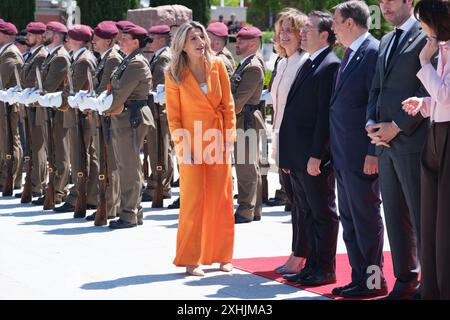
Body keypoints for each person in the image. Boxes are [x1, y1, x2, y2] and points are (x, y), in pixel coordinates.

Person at [366, 0, 428, 300]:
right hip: (383, 144)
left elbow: (427, 87)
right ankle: (405, 280)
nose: (384, 6)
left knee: (420, 214)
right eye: (380, 2)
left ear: (408, 1)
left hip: (413, 141)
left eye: (390, 0)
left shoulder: (428, 33)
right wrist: (371, 124)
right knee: (393, 214)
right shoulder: (387, 39)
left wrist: (398, 125)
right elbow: (376, 88)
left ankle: (430, 282)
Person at [165, 21, 236, 276]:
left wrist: (228, 139)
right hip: (190, 144)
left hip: (217, 139)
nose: (200, 43)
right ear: (182, 45)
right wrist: (184, 147)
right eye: (193, 39)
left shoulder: (217, 65)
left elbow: (228, 104)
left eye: (201, 37)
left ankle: (222, 256)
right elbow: (173, 117)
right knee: (193, 201)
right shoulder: (173, 73)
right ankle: (190, 259)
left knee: (221, 199)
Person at [330, 0, 386, 298]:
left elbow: (375, 104)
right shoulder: (350, 54)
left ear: (350, 23)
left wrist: (372, 152)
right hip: (343, 153)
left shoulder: (373, 52)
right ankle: (359, 277)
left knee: (366, 218)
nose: (333, 29)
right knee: (350, 219)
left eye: (336, 22)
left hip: (361, 154)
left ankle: (374, 281)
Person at [280, 11, 340, 287]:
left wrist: (318, 153)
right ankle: (312, 265)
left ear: (324, 35)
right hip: (299, 155)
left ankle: (324, 268)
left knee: (322, 213)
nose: (302, 33)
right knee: (307, 211)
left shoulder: (329, 64)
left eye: (308, 29)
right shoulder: (311, 62)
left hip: (314, 156)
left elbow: (323, 117)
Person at [402, 0, 450, 300]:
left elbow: (446, 94)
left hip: (446, 138)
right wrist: (424, 104)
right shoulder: (442, 49)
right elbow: (442, 99)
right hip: (436, 133)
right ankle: (432, 289)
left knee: (444, 222)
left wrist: (423, 62)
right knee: (431, 219)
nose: (421, 28)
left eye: (424, 22)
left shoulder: (435, 52)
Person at [85, 24, 154, 229]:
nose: (120, 41)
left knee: (129, 167)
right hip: (123, 117)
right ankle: (133, 211)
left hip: (131, 118)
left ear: (136, 42)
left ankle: (129, 213)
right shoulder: (128, 61)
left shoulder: (136, 64)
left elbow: (119, 95)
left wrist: (97, 105)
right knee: (125, 166)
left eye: (125, 38)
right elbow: (112, 89)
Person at [268, 8, 309, 275]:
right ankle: (297, 252)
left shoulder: (305, 63)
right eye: (282, 29)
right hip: (282, 140)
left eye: (291, 30)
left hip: (300, 145)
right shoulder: (281, 63)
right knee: (293, 202)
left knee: (305, 204)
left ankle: (303, 254)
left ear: (302, 35)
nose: (284, 34)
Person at [55, 24, 99, 216]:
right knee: (81, 155)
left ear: (79, 40)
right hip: (76, 113)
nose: (66, 41)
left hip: (81, 115)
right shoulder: (79, 58)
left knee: (82, 156)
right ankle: (87, 196)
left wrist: (59, 100)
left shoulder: (83, 60)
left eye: (70, 37)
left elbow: (76, 88)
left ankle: (80, 197)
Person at [85, 21, 123, 222]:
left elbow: (108, 88)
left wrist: (92, 99)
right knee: (105, 160)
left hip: (109, 116)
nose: (93, 42)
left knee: (111, 162)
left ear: (108, 40)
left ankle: (111, 204)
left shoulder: (113, 59)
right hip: (102, 114)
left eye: (97, 39)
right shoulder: (105, 57)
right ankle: (107, 203)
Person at [31, 21, 72, 207]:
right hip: (51, 110)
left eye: (47, 32)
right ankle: (53, 188)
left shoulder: (60, 57)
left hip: (59, 111)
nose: (44, 35)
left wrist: (37, 93)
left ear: (56, 35)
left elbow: (48, 86)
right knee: (53, 152)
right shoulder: (52, 55)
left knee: (60, 153)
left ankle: (59, 191)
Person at [231, 26, 266, 224]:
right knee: (248, 165)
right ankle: (254, 209)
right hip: (244, 119)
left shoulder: (252, 67)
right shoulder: (245, 64)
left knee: (246, 167)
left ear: (252, 44)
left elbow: (237, 102)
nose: (237, 44)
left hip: (246, 120)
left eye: (241, 41)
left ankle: (246, 209)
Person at [142, 24, 174, 203]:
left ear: (161, 39)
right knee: (156, 149)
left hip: (159, 112)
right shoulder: (159, 56)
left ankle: (161, 185)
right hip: (156, 110)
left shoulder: (163, 58)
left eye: (152, 37)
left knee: (160, 149)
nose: (149, 41)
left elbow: (159, 88)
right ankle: (158, 184)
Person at [16, 22, 48, 199]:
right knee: (33, 146)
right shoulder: (33, 55)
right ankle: (34, 183)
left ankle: (38, 185)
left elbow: (32, 81)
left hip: (38, 106)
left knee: (38, 147)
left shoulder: (41, 56)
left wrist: (22, 88)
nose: (26, 37)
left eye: (30, 34)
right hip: (31, 104)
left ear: (38, 36)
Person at [0, 21, 24, 194]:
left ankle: (10, 178)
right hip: (3, 105)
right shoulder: (5, 52)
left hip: (7, 107)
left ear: (7, 35)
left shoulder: (10, 54)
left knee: (9, 141)